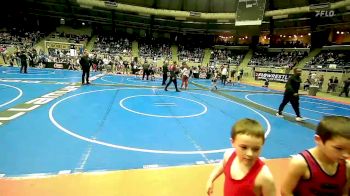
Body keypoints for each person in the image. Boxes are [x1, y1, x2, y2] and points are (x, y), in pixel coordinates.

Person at [281, 116, 350, 196]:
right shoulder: (301, 163)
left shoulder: (347, 167)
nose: (346, 155)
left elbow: (345, 193)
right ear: (318, 140)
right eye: (339, 148)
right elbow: (285, 191)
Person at [206, 118, 276, 196]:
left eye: (256, 149)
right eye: (244, 147)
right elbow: (222, 165)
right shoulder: (229, 156)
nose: (250, 154)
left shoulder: (264, 177)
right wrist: (211, 179)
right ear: (233, 142)